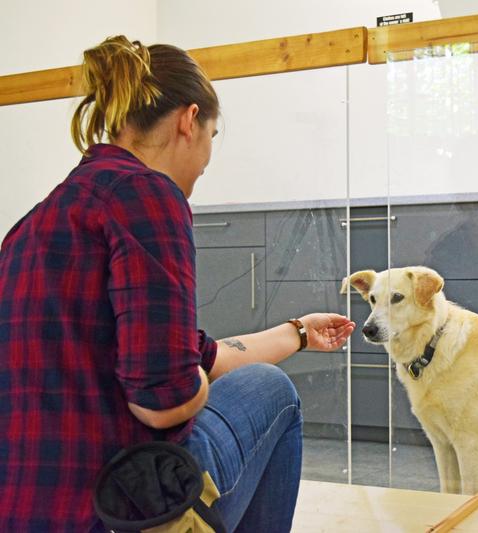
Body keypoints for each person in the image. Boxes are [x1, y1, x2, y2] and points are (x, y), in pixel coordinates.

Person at [0, 35, 355, 532]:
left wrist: (297, 332)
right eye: (212, 133)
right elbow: (162, 401)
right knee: (273, 390)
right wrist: (192, 382)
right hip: (118, 510)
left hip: (27, 513)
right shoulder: (148, 194)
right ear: (189, 121)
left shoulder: (34, 223)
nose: (207, 157)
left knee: (254, 376)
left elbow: (197, 354)